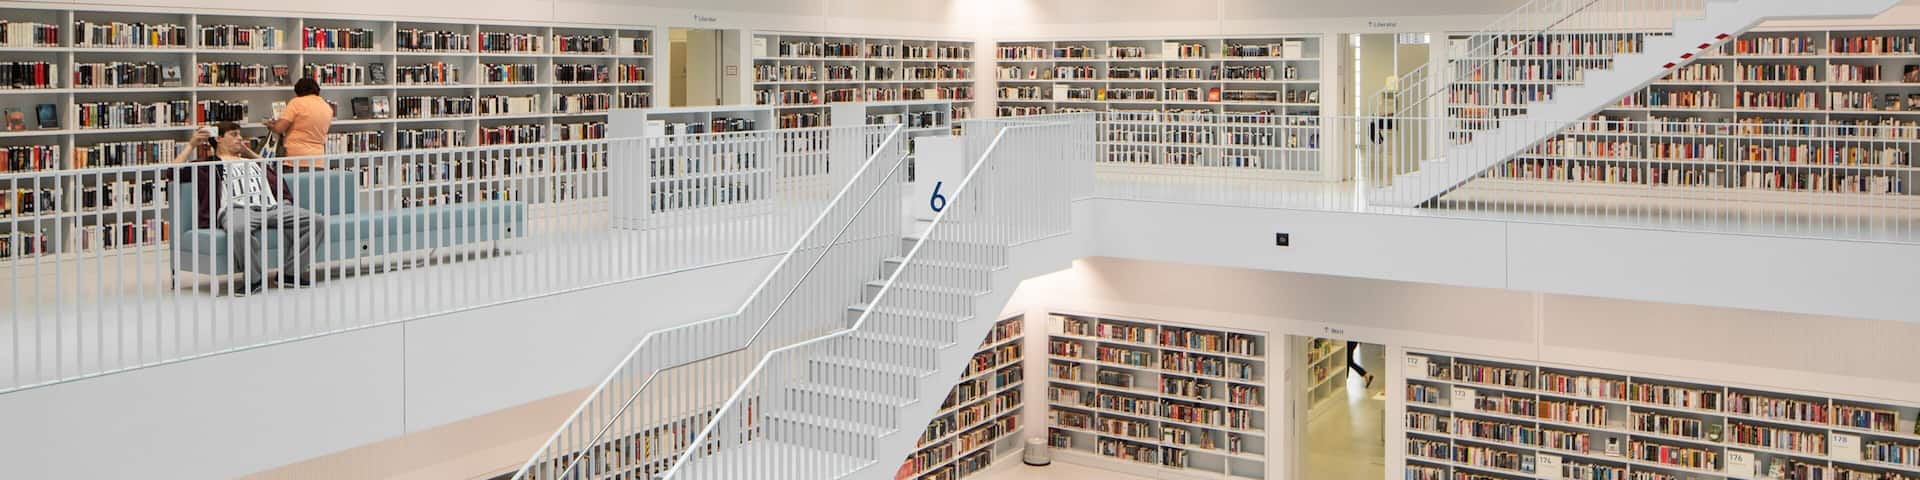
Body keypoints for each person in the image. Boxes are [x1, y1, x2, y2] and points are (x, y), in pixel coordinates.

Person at [172, 122, 326, 295]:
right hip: (236, 209)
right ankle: (254, 279)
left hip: (272, 207)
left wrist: (248, 153)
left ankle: (290, 274)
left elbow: (272, 171)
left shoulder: (251, 161)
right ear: (219, 139)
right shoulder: (209, 165)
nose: (240, 138)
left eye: (240, 135)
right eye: (234, 134)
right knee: (239, 228)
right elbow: (172, 172)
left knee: (316, 221)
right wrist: (192, 144)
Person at [266, 78, 334, 168]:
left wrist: (271, 126)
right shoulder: (327, 107)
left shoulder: (296, 103)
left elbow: (279, 129)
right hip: (318, 159)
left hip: (295, 158)